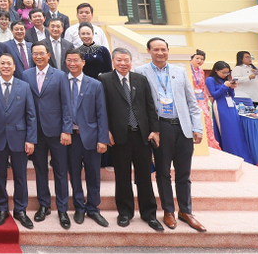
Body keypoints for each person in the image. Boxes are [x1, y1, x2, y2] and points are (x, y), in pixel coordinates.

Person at [135, 38, 206, 233]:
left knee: (184, 173)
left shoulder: (179, 71)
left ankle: (186, 211)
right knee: (163, 172)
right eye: (156, 49)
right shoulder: (140, 72)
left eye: (163, 49)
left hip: (182, 127)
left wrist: (197, 127)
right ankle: (168, 210)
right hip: (161, 128)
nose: (160, 53)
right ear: (148, 51)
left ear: (168, 50)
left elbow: (192, 102)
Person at [99, 48, 162, 232]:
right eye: (119, 60)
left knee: (144, 176)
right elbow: (101, 108)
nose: (123, 63)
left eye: (126, 60)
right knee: (122, 176)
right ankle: (125, 213)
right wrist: (105, 131)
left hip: (142, 135)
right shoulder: (104, 80)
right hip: (119, 137)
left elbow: (150, 106)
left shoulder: (140, 79)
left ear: (131, 61)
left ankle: (149, 214)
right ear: (113, 61)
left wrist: (155, 130)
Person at [23, 42, 72, 229]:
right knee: (40, 170)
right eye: (35, 53)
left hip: (57, 131)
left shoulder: (60, 75)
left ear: (48, 55)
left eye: (41, 53)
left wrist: (66, 130)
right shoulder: (26, 75)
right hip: (36, 132)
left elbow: (66, 104)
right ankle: (44, 205)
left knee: (60, 171)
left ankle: (62, 209)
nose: (38, 56)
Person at [0, 53, 36, 229]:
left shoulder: (24, 86)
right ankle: (2, 208)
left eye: (9, 63)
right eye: (2, 63)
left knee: (20, 176)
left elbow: (31, 114)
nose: (6, 66)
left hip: (19, 138)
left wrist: (31, 139)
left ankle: (20, 209)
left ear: (14, 67)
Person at [64, 48, 109, 227]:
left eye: (76, 60)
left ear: (83, 62)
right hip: (71, 138)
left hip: (91, 136)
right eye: (69, 60)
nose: (72, 63)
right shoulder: (61, 82)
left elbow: (101, 113)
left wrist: (103, 139)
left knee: (93, 174)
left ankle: (93, 208)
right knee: (74, 174)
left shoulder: (95, 84)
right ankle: (79, 207)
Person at [206, 61, 253, 162]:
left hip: (231, 106)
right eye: (223, 72)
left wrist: (231, 88)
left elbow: (231, 96)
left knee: (236, 130)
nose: (225, 75)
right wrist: (225, 86)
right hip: (220, 105)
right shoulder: (210, 79)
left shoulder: (225, 80)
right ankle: (228, 153)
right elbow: (214, 94)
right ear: (216, 70)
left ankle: (240, 153)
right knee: (226, 130)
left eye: (227, 73)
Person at [189, 50, 220, 150]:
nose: (200, 61)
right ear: (191, 58)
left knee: (206, 119)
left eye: (202, 59)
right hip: (191, 97)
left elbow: (202, 87)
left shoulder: (201, 71)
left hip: (201, 98)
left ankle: (209, 143)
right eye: (197, 58)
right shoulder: (186, 70)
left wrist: (206, 101)